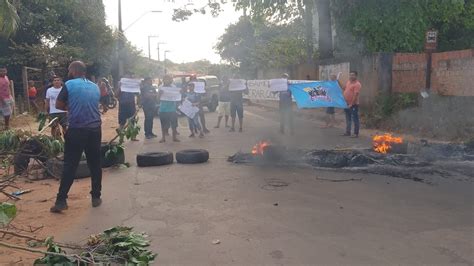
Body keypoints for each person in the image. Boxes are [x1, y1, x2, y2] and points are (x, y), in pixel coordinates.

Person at [50, 61, 102, 213]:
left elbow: (59, 105)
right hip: (95, 129)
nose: (68, 72)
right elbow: (93, 103)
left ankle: (61, 201)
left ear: (73, 70)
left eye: (69, 69)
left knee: (70, 165)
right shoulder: (94, 86)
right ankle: (96, 197)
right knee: (95, 163)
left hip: (77, 129)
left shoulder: (69, 84)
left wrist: (70, 106)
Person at [158, 75, 180, 143]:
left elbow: (177, 96)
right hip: (163, 108)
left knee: (173, 124)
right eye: (166, 79)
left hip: (172, 108)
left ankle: (174, 137)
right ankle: (163, 137)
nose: (168, 80)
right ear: (163, 80)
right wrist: (160, 94)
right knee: (163, 124)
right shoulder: (160, 87)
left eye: (169, 79)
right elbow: (158, 98)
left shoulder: (174, 87)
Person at [342, 71, 362, 138]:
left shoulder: (357, 84)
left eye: (353, 75)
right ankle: (348, 132)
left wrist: (351, 104)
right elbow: (343, 88)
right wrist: (337, 81)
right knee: (348, 118)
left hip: (353, 104)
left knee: (355, 119)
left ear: (356, 76)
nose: (351, 76)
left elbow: (355, 95)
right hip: (346, 103)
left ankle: (356, 134)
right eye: (350, 75)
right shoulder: (348, 82)